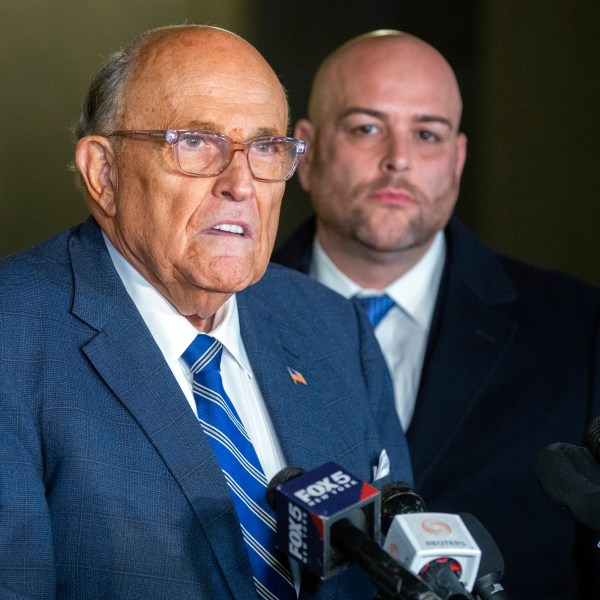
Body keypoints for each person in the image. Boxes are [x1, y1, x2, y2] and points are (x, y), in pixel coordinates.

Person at [0, 25, 413, 600]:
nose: (240, 183)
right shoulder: (11, 335)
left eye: (267, 148)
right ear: (103, 172)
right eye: (195, 142)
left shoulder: (334, 329)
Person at [273, 30, 600, 599]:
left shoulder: (580, 330)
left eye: (427, 134)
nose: (397, 159)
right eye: (366, 128)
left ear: (457, 159)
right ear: (306, 150)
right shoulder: (221, 315)